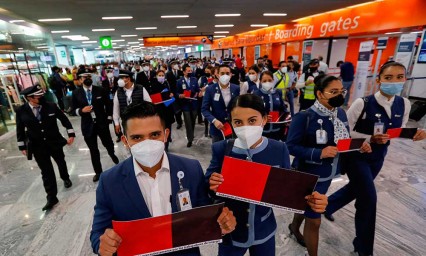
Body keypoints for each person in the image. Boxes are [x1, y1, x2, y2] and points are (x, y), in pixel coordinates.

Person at [90, 102, 236, 256]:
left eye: (154, 135)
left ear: (166, 134)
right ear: (125, 141)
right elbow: (98, 232)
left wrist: (221, 223)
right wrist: (102, 244)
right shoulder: (110, 181)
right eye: (137, 137)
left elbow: (204, 213)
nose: (147, 143)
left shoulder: (191, 169)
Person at [324, 61, 426, 256]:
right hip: (356, 156)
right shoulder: (362, 103)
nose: (394, 81)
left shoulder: (404, 103)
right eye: (388, 78)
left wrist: (415, 134)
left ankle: (328, 205)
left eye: (399, 77)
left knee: (358, 188)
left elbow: (398, 130)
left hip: (378, 156)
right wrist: (369, 138)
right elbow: (344, 131)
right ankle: (363, 249)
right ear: (378, 80)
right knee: (368, 198)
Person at [207, 94, 328, 256]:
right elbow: (206, 187)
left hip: (264, 231)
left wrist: (312, 200)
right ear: (231, 123)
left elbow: (288, 189)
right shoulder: (221, 149)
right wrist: (211, 184)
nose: (245, 127)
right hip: (231, 232)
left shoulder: (279, 149)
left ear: (264, 119)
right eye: (238, 122)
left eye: (252, 120)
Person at [287, 74, 371, 256]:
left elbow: (344, 140)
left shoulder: (340, 113)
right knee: (314, 220)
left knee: (305, 207)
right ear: (319, 94)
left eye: (341, 91)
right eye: (333, 92)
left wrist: (359, 146)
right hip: (308, 175)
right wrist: (319, 153)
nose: (339, 95)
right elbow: (290, 146)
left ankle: (294, 227)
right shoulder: (304, 117)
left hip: (328, 174)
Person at [16, 84, 75, 211]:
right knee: (46, 171)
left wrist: (71, 133)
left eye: (41, 95)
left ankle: (65, 177)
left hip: (54, 141)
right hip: (37, 146)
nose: (41, 97)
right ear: (29, 98)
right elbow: (19, 129)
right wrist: (21, 146)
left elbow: (64, 119)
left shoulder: (51, 106)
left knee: (60, 161)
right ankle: (51, 197)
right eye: (38, 96)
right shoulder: (21, 110)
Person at [71, 71, 119, 182]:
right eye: (84, 77)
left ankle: (112, 153)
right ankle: (98, 172)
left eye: (89, 76)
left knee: (108, 143)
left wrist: (108, 118)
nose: (87, 78)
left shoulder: (100, 90)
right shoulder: (76, 93)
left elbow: (108, 105)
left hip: (102, 123)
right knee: (93, 150)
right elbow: (73, 110)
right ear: (80, 79)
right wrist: (81, 111)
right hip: (87, 125)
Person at [202, 64, 240, 143]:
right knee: (217, 151)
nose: (225, 76)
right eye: (222, 73)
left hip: (232, 126)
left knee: (231, 151)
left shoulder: (236, 88)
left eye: (227, 73)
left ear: (231, 75)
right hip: (217, 127)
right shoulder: (210, 89)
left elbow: (238, 106)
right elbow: (204, 109)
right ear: (217, 75)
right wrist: (214, 120)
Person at [113, 70, 152, 141]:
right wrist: (116, 123)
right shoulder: (118, 92)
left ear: (128, 78)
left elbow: (149, 104)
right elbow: (116, 109)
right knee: (129, 140)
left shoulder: (141, 88)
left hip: (140, 120)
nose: (119, 80)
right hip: (126, 122)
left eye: (122, 78)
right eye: (119, 78)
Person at [254, 71, 288, 141]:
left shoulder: (278, 92)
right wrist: (263, 117)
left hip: (277, 129)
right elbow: (252, 112)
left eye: (270, 80)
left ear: (273, 81)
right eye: (264, 81)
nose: (267, 82)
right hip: (262, 130)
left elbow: (283, 108)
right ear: (260, 82)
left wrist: (286, 117)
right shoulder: (256, 94)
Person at [149, 70, 176, 151]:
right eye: (159, 75)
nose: (161, 77)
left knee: (168, 128)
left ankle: (166, 146)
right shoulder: (153, 85)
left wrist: (171, 94)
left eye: (162, 75)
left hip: (168, 109)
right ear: (156, 76)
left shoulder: (166, 84)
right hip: (159, 110)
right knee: (160, 129)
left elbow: (171, 93)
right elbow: (152, 97)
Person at [177, 64, 200, 147]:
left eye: (191, 71)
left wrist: (198, 93)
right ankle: (190, 139)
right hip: (185, 105)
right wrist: (180, 95)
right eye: (188, 71)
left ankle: (191, 133)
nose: (190, 72)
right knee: (188, 122)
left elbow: (197, 89)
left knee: (193, 121)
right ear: (183, 72)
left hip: (194, 104)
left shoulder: (194, 79)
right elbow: (177, 92)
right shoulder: (179, 81)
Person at [166, 59, 184, 129]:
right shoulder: (168, 74)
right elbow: (168, 84)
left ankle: (181, 120)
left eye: (176, 64)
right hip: (173, 93)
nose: (175, 65)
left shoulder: (180, 72)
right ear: (171, 66)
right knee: (177, 109)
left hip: (181, 93)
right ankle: (179, 122)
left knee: (182, 108)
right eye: (174, 64)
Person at [198, 66, 215, 137]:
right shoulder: (202, 78)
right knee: (205, 114)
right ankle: (206, 129)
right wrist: (200, 91)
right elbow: (198, 86)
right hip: (204, 99)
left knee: (212, 115)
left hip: (213, 99)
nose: (206, 73)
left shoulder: (213, 79)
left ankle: (211, 130)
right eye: (205, 72)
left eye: (208, 72)